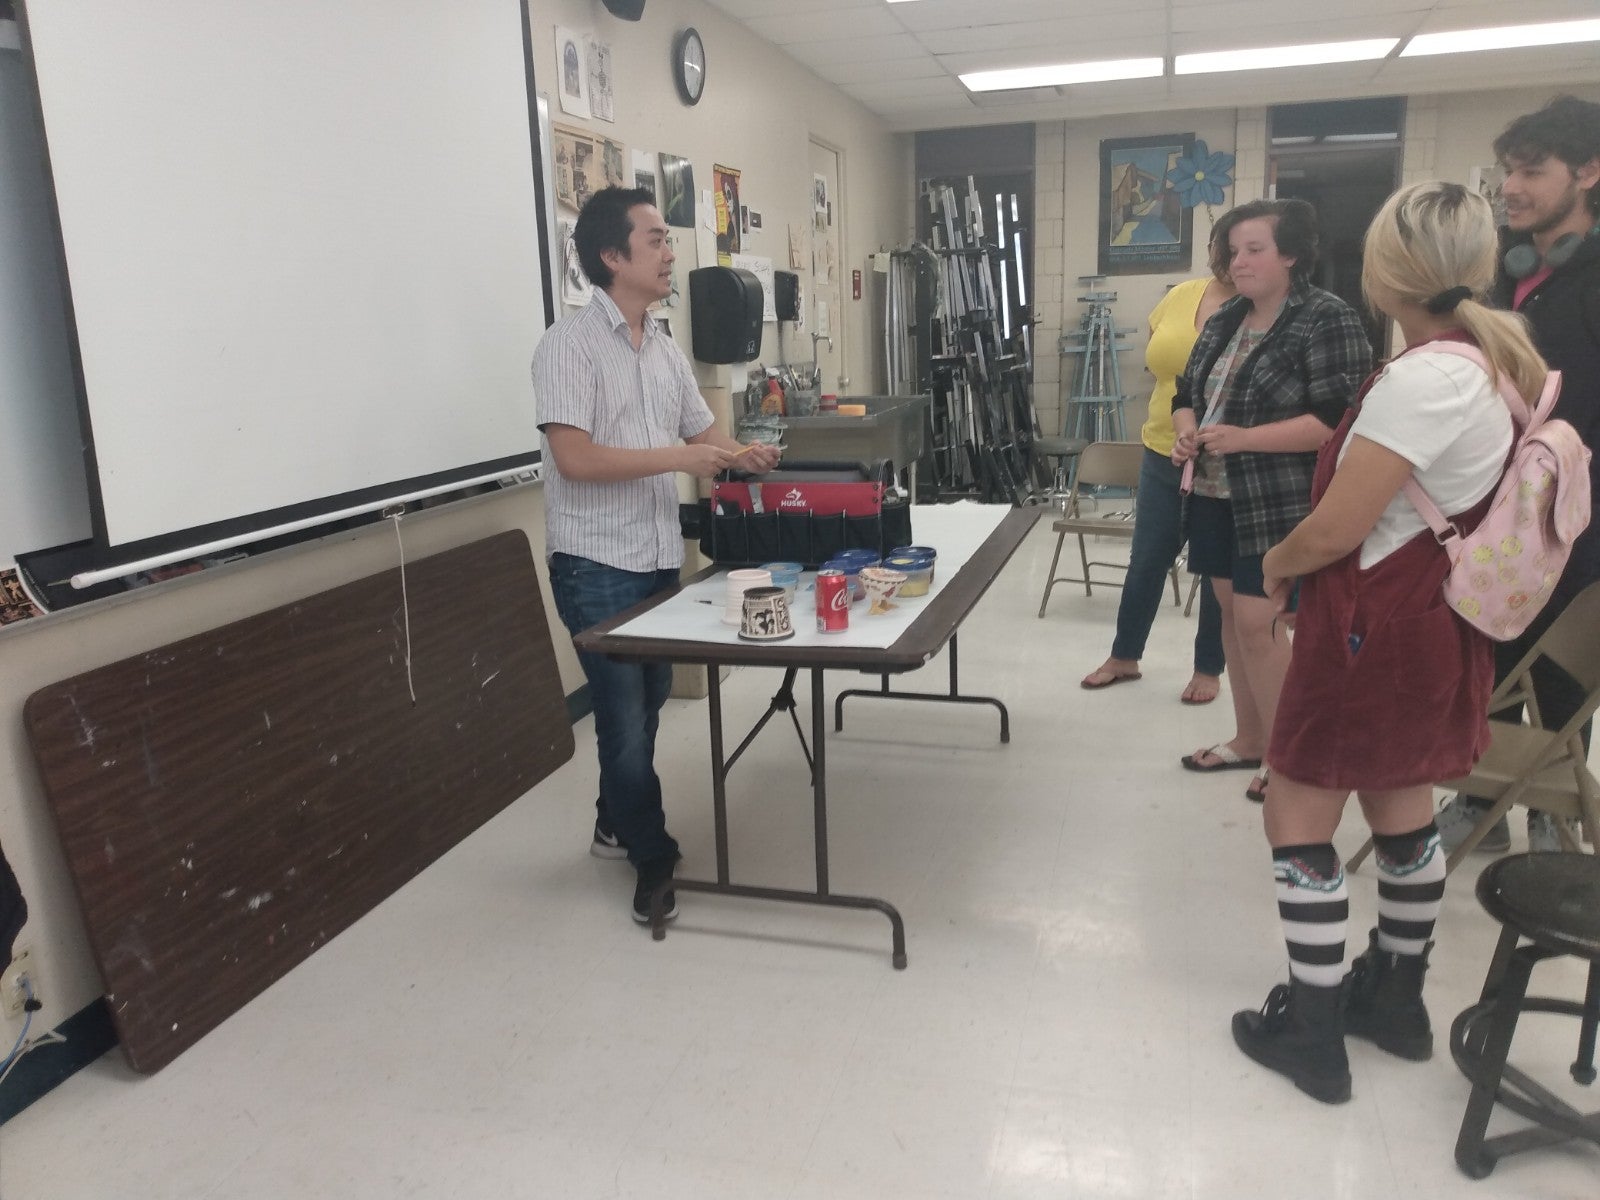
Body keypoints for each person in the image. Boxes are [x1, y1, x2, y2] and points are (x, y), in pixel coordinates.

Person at [1230, 181, 1540, 1104]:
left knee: (1297, 814)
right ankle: (1395, 1000)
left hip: (1371, 624)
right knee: (1401, 802)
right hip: (1432, 621)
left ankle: (1314, 1027)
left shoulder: (1421, 378)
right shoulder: (1488, 359)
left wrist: (1277, 564)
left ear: (1385, 271)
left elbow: (1339, 525)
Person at [533, 186, 780, 923]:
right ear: (612, 256)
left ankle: (614, 821)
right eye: (656, 240)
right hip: (592, 561)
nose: (671, 253)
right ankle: (652, 855)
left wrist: (744, 454)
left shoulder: (664, 347)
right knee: (621, 717)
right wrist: (682, 454)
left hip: (653, 554)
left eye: (669, 240)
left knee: (642, 711)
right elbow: (575, 459)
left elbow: (704, 434)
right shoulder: (567, 348)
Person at [1436, 94, 1600, 855]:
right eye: (1508, 171)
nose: (1513, 186)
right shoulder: (1503, 272)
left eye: (1532, 171)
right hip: (1491, 502)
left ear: (1589, 173)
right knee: (1484, 646)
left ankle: (1550, 811)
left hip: (1574, 508)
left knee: (1559, 661)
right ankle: (1479, 799)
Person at [1172, 200, 1372, 800]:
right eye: (1233, 251)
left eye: (1254, 249)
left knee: (1261, 621)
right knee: (1232, 615)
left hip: (1277, 496)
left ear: (1291, 254)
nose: (1240, 262)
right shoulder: (1226, 317)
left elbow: (1339, 419)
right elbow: (1187, 388)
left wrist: (1244, 439)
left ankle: (1291, 756)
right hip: (1212, 491)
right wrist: (1187, 428)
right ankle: (1250, 738)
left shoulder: (1325, 318)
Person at [1079, 240, 1233, 704]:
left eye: (1248, 249)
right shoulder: (1181, 294)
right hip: (1162, 447)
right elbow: (1159, 362)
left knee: (1214, 567)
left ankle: (1209, 668)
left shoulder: (1264, 308)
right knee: (1147, 559)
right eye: (1222, 248)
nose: (1230, 258)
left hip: (1226, 458)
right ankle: (1124, 656)